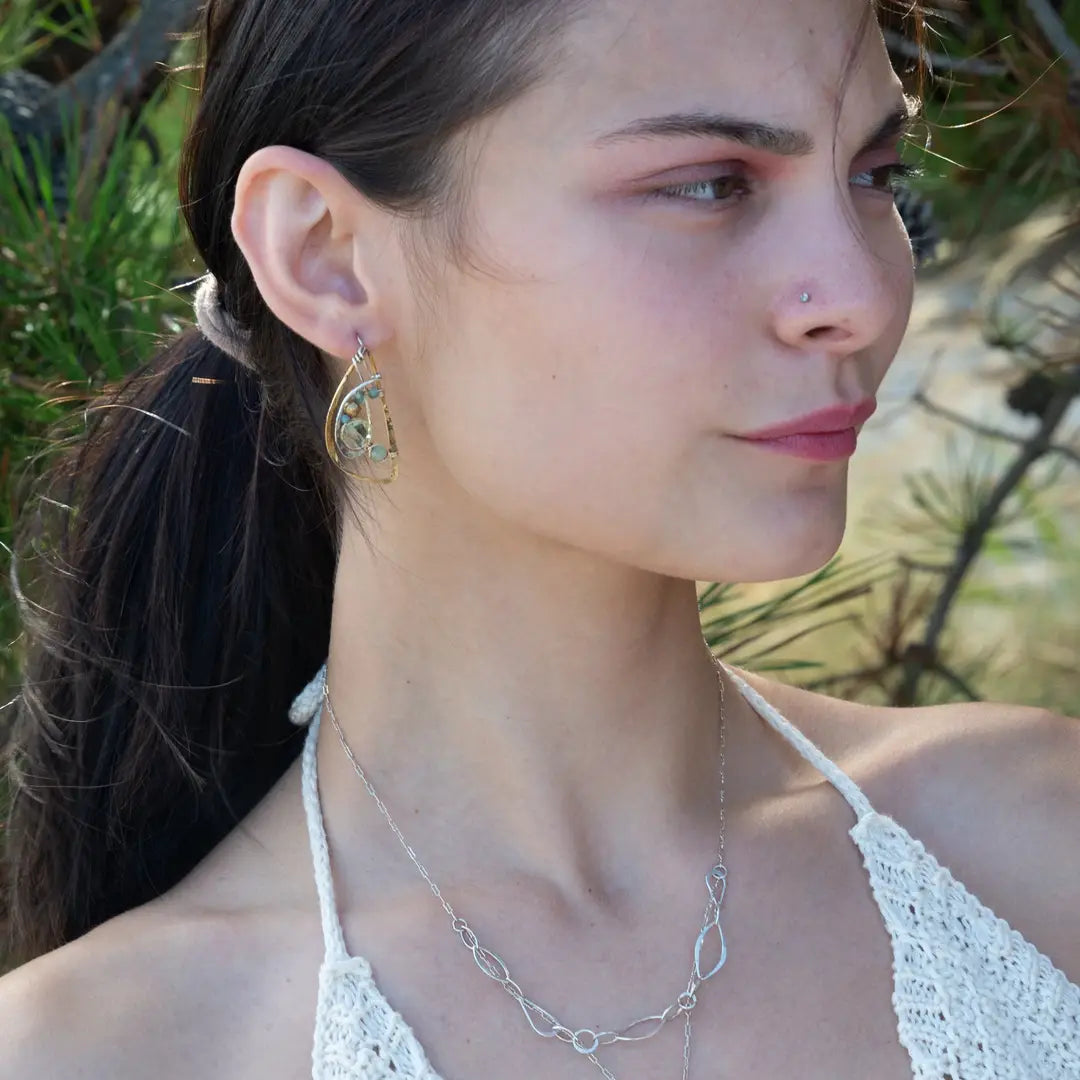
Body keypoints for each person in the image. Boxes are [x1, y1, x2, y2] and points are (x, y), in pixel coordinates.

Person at [1, 0, 1078, 1076]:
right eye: (710, 184)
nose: (855, 295)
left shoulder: (1035, 846)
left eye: (873, 176)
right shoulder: (103, 1049)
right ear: (325, 257)